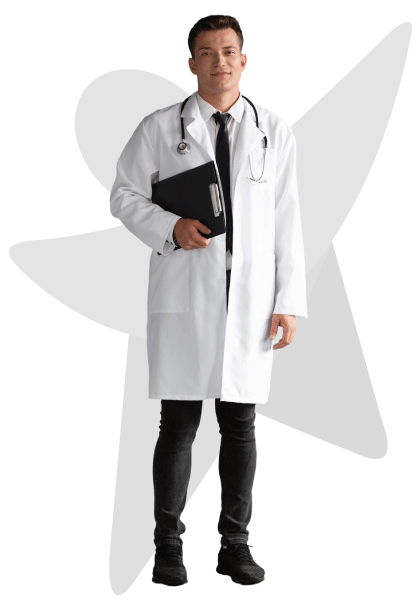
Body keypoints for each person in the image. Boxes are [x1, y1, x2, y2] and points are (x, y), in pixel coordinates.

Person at [110, 14, 308, 586]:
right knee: (178, 423)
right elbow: (123, 195)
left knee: (240, 424)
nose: (219, 61)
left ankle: (234, 545)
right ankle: (167, 547)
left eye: (228, 51)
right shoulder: (159, 127)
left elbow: (288, 218)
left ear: (243, 60)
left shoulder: (273, 130)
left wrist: (288, 299)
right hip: (186, 289)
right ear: (192, 62)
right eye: (207, 52)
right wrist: (169, 227)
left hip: (250, 299)